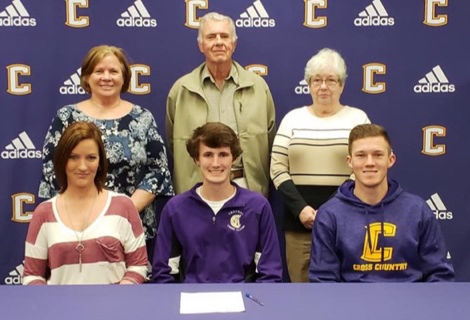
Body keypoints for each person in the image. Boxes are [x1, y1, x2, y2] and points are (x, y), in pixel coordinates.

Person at [38, 45, 174, 251]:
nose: (106, 77)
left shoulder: (142, 118)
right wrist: (90, 215)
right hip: (75, 226)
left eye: (113, 71)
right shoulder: (67, 117)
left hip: (129, 223)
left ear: (124, 77)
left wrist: (121, 212)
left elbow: (158, 172)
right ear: (86, 78)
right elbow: (52, 169)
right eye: (99, 71)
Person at [270, 48, 370, 282]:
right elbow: (277, 167)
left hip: (348, 222)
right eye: (317, 80)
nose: (323, 86)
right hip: (299, 223)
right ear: (308, 84)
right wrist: (301, 209)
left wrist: (331, 210)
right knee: (303, 293)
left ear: (342, 85)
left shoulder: (358, 119)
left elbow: (364, 168)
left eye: (331, 80)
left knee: (348, 290)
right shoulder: (293, 118)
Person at [309, 124, 455, 282]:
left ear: (390, 159)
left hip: (410, 304)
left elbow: (440, 275)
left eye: (378, 154)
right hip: (351, 305)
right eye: (361, 155)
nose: (369, 162)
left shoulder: (417, 210)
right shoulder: (330, 214)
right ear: (349, 161)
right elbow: (323, 281)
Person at [152, 122, 282, 283]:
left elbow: (269, 273)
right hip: (191, 301)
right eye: (208, 155)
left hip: (243, 301)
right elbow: (163, 274)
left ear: (234, 158)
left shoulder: (257, 207)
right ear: (196, 159)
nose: (215, 163)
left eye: (223, 154)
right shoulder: (175, 209)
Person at [166, 12, 276, 196]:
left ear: (233, 43)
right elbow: (173, 142)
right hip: (196, 188)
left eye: (224, 36)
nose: (218, 42)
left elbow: (269, 139)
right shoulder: (182, 89)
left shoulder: (258, 87)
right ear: (201, 45)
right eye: (211, 37)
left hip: (246, 186)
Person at [23, 122, 148, 285]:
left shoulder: (123, 206)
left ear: (100, 162)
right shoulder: (43, 213)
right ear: (62, 160)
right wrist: (51, 305)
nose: (82, 166)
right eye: (73, 157)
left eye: (91, 158)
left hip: (114, 308)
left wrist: (118, 296)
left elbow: (138, 266)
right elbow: (32, 276)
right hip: (61, 309)